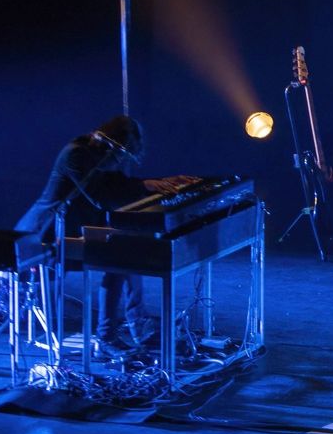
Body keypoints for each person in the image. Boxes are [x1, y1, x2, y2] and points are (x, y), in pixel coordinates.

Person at [13, 115, 197, 353]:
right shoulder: (76, 155)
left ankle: (135, 328)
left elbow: (117, 184)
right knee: (120, 257)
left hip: (77, 225)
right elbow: (102, 196)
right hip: (48, 231)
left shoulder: (97, 156)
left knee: (127, 253)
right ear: (112, 144)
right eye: (123, 153)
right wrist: (144, 187)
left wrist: (156, 184)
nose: (122, 160)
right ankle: (110, 335)